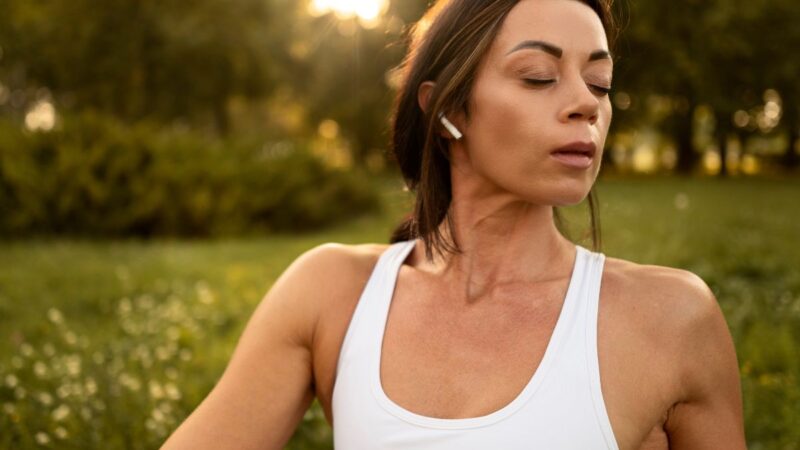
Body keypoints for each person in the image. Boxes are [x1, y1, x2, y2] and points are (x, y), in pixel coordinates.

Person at [162, 0, 747, 448]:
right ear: (446, 110)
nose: (586, 104)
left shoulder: (672, 319)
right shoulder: (331, 293)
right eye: (540, 76)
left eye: (600, 82)